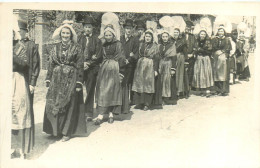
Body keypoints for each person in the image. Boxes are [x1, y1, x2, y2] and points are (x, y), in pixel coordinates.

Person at [43, 24, 86, 142]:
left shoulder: (77, 48)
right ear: (60, 34)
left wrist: (79, 82)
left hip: (71, 79)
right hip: (56, 80)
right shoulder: (55, 47)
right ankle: (54, 130)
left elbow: (80, 66)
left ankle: (66, 132)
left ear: (71, 35)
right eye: (63, 33)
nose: (65, 35)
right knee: (54, 103)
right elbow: (51, 63)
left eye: (67, 33)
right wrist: (48, 78)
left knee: (69, 105)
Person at [94, 25, 126, 125]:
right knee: (102, 90)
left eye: (109, 35)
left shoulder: (118, 44)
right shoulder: (102, 44)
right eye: (106, 35)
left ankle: (111, 114)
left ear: (113, 35)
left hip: (114, 69)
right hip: (104, 69)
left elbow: (121, 58)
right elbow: (100, 56)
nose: (108, 37)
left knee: (112, 91)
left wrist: (121, 72)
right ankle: (101, 114)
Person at [12, 23, 34, 159]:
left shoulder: (20, 46)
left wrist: (11, 54)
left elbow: (25, 64)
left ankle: (21, 149)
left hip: (17, 80)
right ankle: (10, 148)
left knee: (20, 112)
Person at [18, 20, 40, 145]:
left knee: (27, 108)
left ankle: (27, 141)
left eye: (20, 30)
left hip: (27, 82)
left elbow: (36, 65)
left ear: (25, 32)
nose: (18, 33)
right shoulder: (11, 44)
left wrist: (32, 83)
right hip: (14, 82)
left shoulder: (31, 46)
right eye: (17, 31)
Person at [78, 16, 103, 121]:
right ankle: (78, 111)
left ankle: (88, 112)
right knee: (77, 88)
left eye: (89, 27)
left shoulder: (97, 40)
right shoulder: (79, 39)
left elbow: (98, 55)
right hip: (79, 67)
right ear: (83, 28)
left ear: (93, 28)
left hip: (92, 68)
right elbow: (76, 52)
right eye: (86, 27)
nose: (87, 29)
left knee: (90, 90)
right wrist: (81, 63)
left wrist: (88, 63)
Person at [132, 29, 160, 111]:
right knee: (140, 83)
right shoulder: (141, 45)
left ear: (152, 37)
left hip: (149, 66)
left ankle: (147, 104)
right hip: (140, 66)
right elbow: (138, 54)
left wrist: (155, 70)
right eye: (146, 36)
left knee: (148, 84)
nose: (147, 38)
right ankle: (140, 103)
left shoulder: (155, 46)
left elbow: (157, 59)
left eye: (149, 37)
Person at [120, 19, 139, 112]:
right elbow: (118, 51)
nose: (128, 30)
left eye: (130, 28)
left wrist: (130, 59)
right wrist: (123, 59)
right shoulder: (120, 39)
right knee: (120, 83)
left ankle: (126, 104)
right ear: (124, 29)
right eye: (127, 28)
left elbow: (135, 53)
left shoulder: (134, 40)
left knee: (127, 83)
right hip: (120, 64)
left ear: (132, 29)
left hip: (130, 65)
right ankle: (120, 103)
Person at [158, 30, 178, 105]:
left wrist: (173, 68)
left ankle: (167, 98)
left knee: (167, 81)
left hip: (168, 64)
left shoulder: (172, 45)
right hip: (161, 64)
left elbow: (174, 58)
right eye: (163, 37)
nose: (165, 38)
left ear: (168, 37)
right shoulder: (159, 45)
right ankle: (161, 97)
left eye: (166, 36)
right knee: (161, 81)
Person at [192, 29, 214, 97]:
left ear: (206, 35)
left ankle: (207, 89)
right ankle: (201, 89)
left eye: (204, 34)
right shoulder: (196, 41)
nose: (203, 35)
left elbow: (209, 51)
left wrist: (201, 50)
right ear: (199, 35)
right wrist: (196, 51)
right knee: (199, 73)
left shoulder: (208, 41)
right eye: (201, 34)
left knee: (206, 73)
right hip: (199, 58)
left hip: (206, 58)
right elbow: (195, 49)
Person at [211, 25, 232, 96]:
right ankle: (217, 90)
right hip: (216, 57)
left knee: (223, 73)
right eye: (219, 31)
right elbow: (212, 47)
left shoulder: (227, 39)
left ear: (224, 32)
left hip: (223, 58)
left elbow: (228, 48)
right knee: (216, 73)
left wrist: (222, 51)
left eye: (222, 31)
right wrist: (216, 52)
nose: (220, 32)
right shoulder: (214, 39)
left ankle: (223, 90)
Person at [172, 28, 189, 99]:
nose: (175, 33)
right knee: (174, 75)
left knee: (182, 75)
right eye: (174, 32)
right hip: (173, 58)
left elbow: (185, 51)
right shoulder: (171, 40)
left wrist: (186, 61)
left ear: (179, 33)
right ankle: (175, 92)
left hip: (180, 58)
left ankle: (184, 92)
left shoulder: (182, 41)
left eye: (177, 32)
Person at [183, 21, 196, 96]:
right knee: (183, 73)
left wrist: (192, 54)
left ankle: (188, 90)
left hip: (191, 57)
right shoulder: (181, 36)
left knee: (190, 73)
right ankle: (183, 90)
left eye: (188, 27)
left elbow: (195, 47)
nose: (187, 28)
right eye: (186, 27)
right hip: (183, 57)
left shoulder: (192, 36)